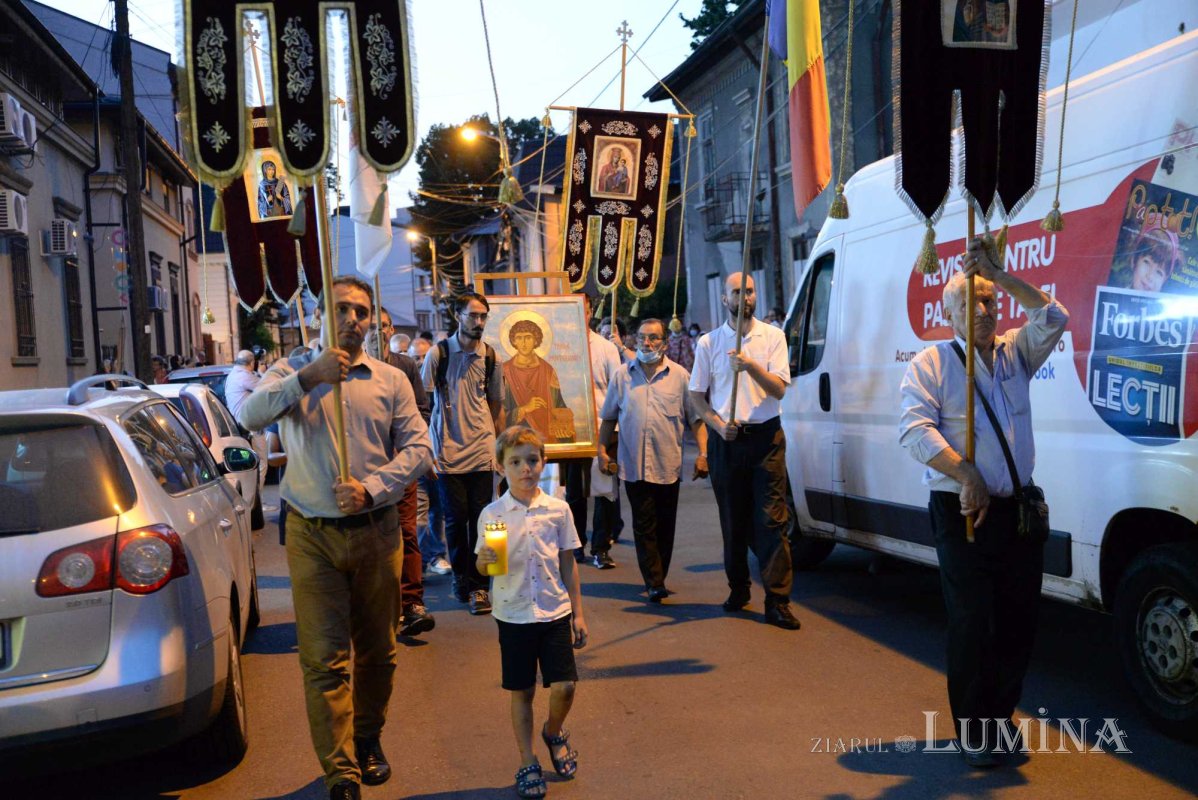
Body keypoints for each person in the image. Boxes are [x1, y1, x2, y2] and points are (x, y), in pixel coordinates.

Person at [239, 276, 433, 800]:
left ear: (371, 320)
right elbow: (248, 414)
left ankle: (367, 737)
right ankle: (340, 770)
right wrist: (310, 377)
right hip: (313, 536)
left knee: (379, 652)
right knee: (324, 660)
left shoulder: (390, 379)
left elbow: (419, 448)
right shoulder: (289, 372)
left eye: (361, 311)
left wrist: (372, 488)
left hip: (377, 532)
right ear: (321, 314)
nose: (353, 319)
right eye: (342, 308)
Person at [899, 237, 1069, 766]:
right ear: (948, 314)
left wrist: (1002, 275)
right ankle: (974, 730)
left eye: (990, 301)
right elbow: (914, 430)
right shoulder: (931, 363)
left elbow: (1055, 316)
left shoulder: (1017, 352)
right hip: (964, 513)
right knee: (973, 622)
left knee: (1018, 621)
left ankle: (1000, 717)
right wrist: (964, 471)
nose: (983, 310)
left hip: (1015, 512)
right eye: (970, 303)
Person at [475, 426, 588, 800]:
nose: (525, 468)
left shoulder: (558, 510)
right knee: (521, 690)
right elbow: (486, 567)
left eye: (532, 460)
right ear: (500, 466)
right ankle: (527, 760)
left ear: (544, 462)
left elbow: (568, 561)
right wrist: (483, 561)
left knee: (565, 686)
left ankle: (553, 731)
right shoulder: (493, 514)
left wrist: (578, 613)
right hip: (513, 614)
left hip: (554, 610)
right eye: (515, 462)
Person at [689, 272, 800, 630]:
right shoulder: (709, 343)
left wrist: (750, 366)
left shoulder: (773, 337)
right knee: (733, 520)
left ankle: (778, 601)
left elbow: (779, 389)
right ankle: (739, 587)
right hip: (727, 441)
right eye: (737, 292)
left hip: (766, 439)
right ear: (725, 299)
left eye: (749, 291)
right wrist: (717, 425)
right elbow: (696, 396)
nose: (745, 297)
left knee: (772, 520)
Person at [600, 319, 708, 601]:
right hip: (633, 465)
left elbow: (696, 420)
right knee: (643, 524)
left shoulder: (680, 376)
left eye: (653, 338)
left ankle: (658, 574)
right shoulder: (622, 376)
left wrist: (703, 454)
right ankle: (654, 581)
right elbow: (609, 417)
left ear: (665, 343)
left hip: (668, 465)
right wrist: (601, 450)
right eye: (641, 337)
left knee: (665, 525)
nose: (646, 343)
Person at [422, 292, 504, 616]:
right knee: (456, 520)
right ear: (458, 315)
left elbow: (496, 403)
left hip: (482, 450)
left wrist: (496, 446)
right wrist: (426, 448)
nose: (479, 322)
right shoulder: (438, 354)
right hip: (447, 451)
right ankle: (461, 577)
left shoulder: (491, 356)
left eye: (483, 316)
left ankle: (480, 586)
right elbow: (423, 403)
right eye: (473, 315)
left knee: (483, 519)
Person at [372, 308, 436, 638]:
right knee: (371, 538)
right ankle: (379, 606)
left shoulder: (405, 366)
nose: (377, 332)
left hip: (401, 467)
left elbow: (421, 411)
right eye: (371, 326)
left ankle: (412, 604)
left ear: (391, 329)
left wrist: (406, 448)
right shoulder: (348, 371)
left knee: (407, 532)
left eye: (382, 326)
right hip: (365, 471)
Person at [562, 295, 624, 569]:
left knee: (605, 491)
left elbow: (618, 387)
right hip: (573, 429)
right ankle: (576, 545)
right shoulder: (562, 345)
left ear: (589, 313)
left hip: (604, 428)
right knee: (575, 493)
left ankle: (601, 548)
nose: (580, 315)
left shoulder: (606, 348)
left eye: (584, 310)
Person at [502, 319, 574, 443]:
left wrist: (565, 430)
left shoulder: (548, 371)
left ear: (536, 340)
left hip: (545, 437)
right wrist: (524, 409)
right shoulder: (505, 371)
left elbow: (558, 405)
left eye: (528, 337)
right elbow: (500, 414)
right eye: (519, 338)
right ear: (513, 341)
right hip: (516, 439)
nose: (523, 342)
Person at [224, 349, 261, 422]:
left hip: (239, 420)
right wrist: (262, 372)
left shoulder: (233, 375)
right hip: (246, 422)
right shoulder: (244, 376)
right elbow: (268, 387)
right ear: (252, 363)